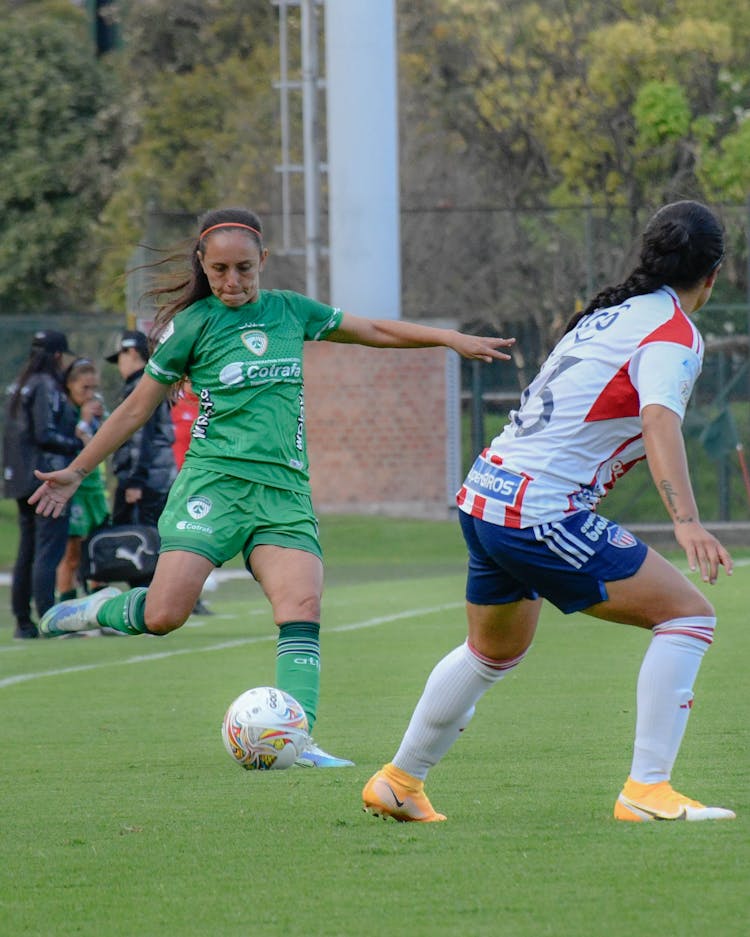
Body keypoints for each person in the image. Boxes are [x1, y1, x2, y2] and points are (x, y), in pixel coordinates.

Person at [29, 206, 514, 767]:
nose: (231, 282)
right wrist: (79, 469)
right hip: (213, 485)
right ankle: (103, 609)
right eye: (218, 271)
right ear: (204, 268)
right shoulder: (193, 326)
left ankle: (298, 739)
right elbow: (136, 408)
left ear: (262, 261)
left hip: (282, 493)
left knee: (302, 605)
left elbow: (374, 330)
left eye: (243, 269)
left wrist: (449, 339)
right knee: (164, 616)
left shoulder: (291, 312)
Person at [362, 199, 737, 822]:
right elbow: (658, 423)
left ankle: (400, 781)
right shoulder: (673, 334)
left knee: (491, 652)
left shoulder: (609, 315)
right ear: (714, 274)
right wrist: (688, 521)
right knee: (688, 618)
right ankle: (647, 792)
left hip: (486, 496)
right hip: (537, 512)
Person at [3, 330, 80, 638]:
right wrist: (77, 443)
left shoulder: (18, 385)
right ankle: (50, 619)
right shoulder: (47, 386)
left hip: (18, 477)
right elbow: (45, 434)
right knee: (48, 550)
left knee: (28, 550)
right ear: (58, 357)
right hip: (46, 478)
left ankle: (23, 620)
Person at [106, 329, 177, 586]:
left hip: (146, 480)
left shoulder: (141, 387)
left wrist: (134, 480)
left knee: (140, 544)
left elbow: (140, 438)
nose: (120, 366)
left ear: (132, 352)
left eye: (121, 358)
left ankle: (147, 604)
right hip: (160, 476)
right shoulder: (155, 383)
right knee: (155, 541)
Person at [55, 358, 110, 601]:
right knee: (72, 553)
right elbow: (77, 443)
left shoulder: (98, 411)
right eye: (84, 388)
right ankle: (65, 612)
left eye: (94, 388)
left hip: (95, 488)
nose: (90, 394)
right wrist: (84, 422)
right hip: (74, 490)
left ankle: (99, 612)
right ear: (69, 385)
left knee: (100, 551)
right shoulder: (64, 412)